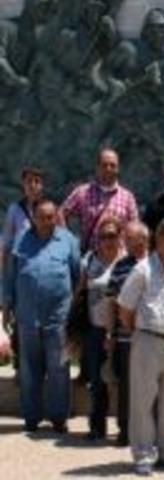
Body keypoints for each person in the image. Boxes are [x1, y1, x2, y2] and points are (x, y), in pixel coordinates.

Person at [118, 217, 164, 475]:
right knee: (142, 401)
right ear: (156, 241)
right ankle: (142, 456)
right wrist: (140, 332)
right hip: (147, 341)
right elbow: (125, 309)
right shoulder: (142, 270)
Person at [4, 199, 80, 433]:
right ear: (33, 218)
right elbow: (10, 275)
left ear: (56, 217)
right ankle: (31, 417)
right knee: (29, 369)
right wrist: (6, 305)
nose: (46, 222)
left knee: (59, 368)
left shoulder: (68, 241)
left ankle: (58, 418)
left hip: (59, 317)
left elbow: (76, 276)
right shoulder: (21, 239)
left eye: (50, 217)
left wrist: (74, 311)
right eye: (41, 217)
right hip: (27, 316)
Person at [104, 221, 150, 447]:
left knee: (151, 386)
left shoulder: (156, 263)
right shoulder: (120, 266)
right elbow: (112, 301)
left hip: (151, 337)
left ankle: (150, 430)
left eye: (130, 239)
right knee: (126, 386)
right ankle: (125, 430)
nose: (126, 243)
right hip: (124, 337)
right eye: (126, 239)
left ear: (143, 240)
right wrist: (110, 333)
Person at [81, 217, 125, 441]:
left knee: (122, 380)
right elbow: (80, 292)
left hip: (121, 331)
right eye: (104, 236)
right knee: (97, 381)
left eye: (112, 235)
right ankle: (97, 426)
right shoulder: (89, 260)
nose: (108, 240)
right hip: (95, 329)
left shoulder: (126, 261)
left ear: (120, 237)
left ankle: (124, 428)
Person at [1, 166, 44, 379]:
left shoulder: (50, 209)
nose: (33, 186)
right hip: (21, 277)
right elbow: (6, 246)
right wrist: (5, 282)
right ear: (23, 185)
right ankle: (21, 368)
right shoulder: (14, 210)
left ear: (42, 185)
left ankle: (40, 367)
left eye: (37, 181)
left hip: (45, 277)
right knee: (21, 323)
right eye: (29, 182)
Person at [60, 148, 139, 252]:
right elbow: (60, 214)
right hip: (91, 256)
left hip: (119, 259)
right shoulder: (82, 192)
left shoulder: (128, 197)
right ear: (97, 168)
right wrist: (69, 242)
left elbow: (135, 228)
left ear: (118, 169)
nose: (108, 169)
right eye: (104, 165)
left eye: (112, 165)